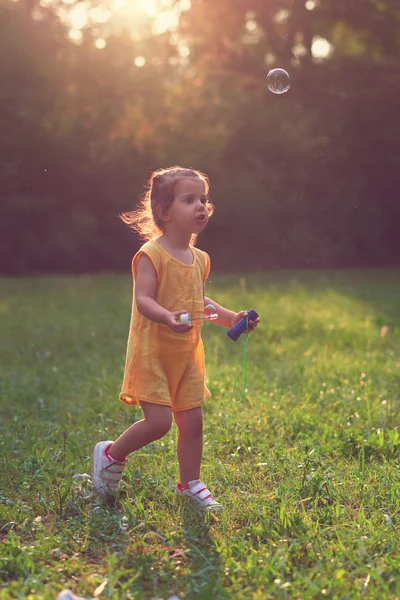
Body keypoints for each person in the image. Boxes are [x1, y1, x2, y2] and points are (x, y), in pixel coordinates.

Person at [92, 166, 259, 511]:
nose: (201, 206)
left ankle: (190, 483)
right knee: (159, 424)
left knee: (193, 422)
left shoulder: (200, 258)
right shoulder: (151, 255)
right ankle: (110, 454)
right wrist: (167, 316)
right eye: (189, 200)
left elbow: (199, 301)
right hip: (153, 352)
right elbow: (144, 299)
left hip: (186, 354)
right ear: (164, 212)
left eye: (204, 199)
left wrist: (232, 317)